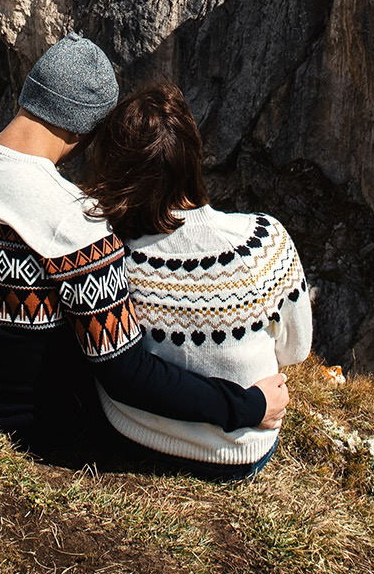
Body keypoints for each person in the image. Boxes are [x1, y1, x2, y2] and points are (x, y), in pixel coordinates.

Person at [0, 33, 288, 463]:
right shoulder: (75, 222)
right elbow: (128, 375)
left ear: (27, 95)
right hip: (25, 434)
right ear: (85, 132)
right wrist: (250, 405)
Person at [77, 83, 312, 482]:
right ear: (193, 157)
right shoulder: (264, 240)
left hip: (135, 434)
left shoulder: (108, 254)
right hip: (242, 448)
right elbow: (296, 349)